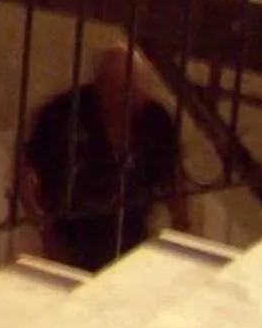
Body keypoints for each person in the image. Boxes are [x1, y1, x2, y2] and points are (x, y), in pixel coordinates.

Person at [21, 45, 190, 271]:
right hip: (70, 241)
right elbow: (27, 171)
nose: (128, 99)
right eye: (120, 89)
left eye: (134, 90)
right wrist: (45, 233)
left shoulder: (155, 121)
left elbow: (173, 175)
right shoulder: (64, 115)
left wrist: (182, 226)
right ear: (100, 84)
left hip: (132, 241)